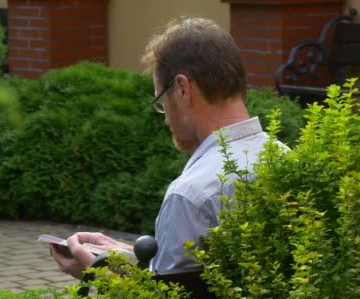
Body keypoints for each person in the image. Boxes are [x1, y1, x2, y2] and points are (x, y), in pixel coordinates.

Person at [52, 17, 274, 279]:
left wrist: (97, 272)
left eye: (161, 100)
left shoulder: (191, 196)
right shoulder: (285, 158)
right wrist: (122, 254)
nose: (165, 116)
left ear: (181, 89)